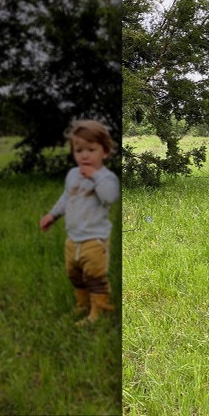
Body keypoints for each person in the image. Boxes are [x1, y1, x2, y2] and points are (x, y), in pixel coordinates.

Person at [40, 120, 120, 325]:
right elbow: (66, 198)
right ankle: (82, 305)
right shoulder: (73, 175)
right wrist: (53, 215)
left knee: (95, 276)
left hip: (95, 240)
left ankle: (99, 311)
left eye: (91, 149)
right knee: (74, 275)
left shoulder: (107, 178)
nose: (84, 155)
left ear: (105, 152)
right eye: (79, 150)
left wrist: (95, 177)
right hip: (73, 239)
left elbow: (109, 197)